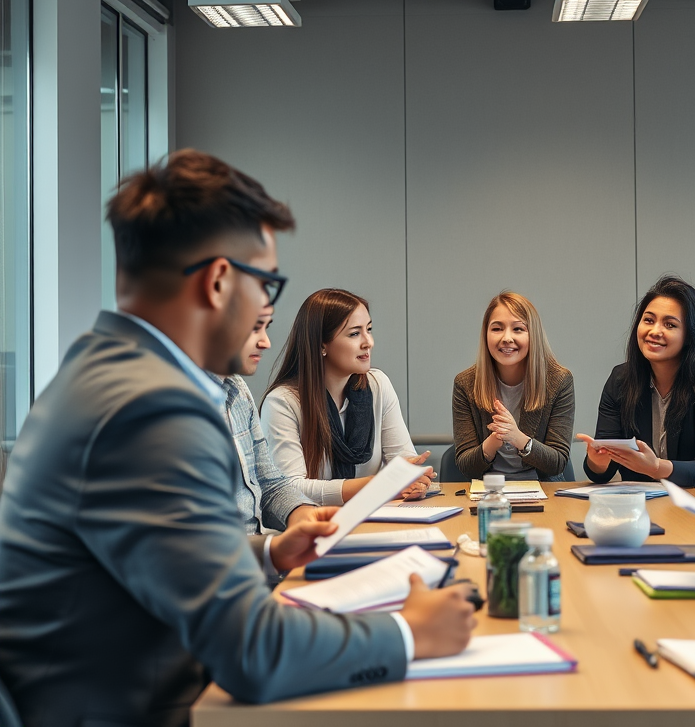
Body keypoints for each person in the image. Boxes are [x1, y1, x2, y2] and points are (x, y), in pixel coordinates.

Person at [0, 150, 476, 727]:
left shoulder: (107, 368)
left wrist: (269, 551)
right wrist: (408, 633)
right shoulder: (152, 409)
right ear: (220, 281)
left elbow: (150, 557)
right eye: (267, 283)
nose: (268, 309)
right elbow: (253, 652)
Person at [577, 275, 695, 496]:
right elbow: (600, 475)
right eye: (649, 320)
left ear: (690, 335)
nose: (655, 331)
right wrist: (598, 460)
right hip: (652, 502)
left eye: (670, 324)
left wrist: (656, 468)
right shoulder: (620, 379)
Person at [261, 289, 432, 505]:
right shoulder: (283, 402)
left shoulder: (378, 385)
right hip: (311, 528)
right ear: (322, 344)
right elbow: (289, 489)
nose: (368, 342)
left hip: (370, 520)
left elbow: (405, 462)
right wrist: (380, 485)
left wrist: (413, 478)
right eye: (354, 333)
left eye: (369, 330)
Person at [212, 304, 320, 538]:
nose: (266, 342)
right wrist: (273, 552)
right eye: (254, 328)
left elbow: (269, 482)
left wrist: (302, 513)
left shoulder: (237, 388)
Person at [452, 291, 575, 481]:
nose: (507, 338)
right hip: (488, 491)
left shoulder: (559, 380)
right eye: (497, 329)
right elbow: (466, 466)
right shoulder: (465, 383)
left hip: (543, 491)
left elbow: (557, 463)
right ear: (486, 335)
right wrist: (495, 439)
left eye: (518, 329)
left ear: (533, 334)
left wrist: (517, 437)